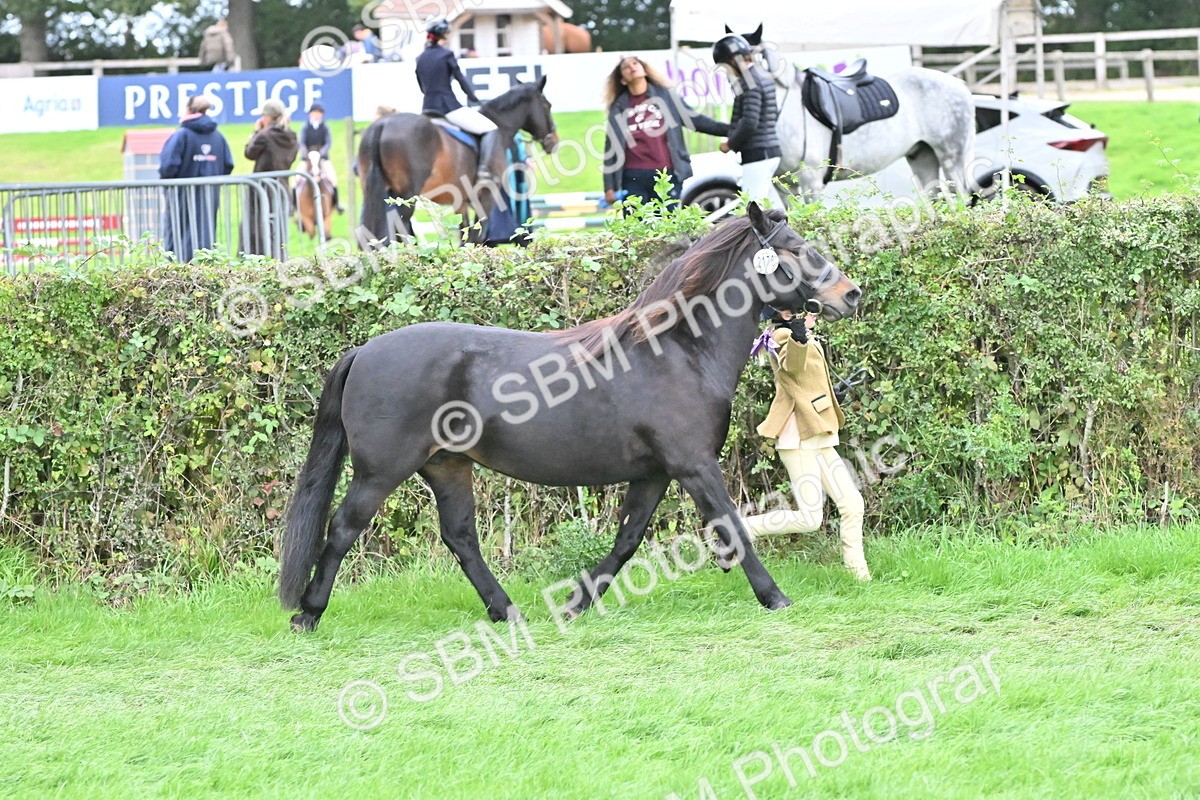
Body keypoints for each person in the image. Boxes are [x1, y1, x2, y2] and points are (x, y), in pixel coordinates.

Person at [742, 305, 871, 581]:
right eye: (807, 311)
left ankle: (860, 578)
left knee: (852, 504)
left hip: (817, 429)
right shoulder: (780, 336)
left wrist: (830, 395)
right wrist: (799, 339)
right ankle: (743, 528)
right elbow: (791, 367)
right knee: (810, 519)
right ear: (788, 315)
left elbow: (803, 381)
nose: (814, 315)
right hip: (797, 436)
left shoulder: (799, 335)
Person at [602, 55, 729, 209]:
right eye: (626, 67)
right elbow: (611, 147)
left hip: (666, 174)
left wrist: (732, 130)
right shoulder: (619, 106)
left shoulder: (667, 97)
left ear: (645, 71)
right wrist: (609, 186)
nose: (632, 67)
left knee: (669, 224)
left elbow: (697, 121)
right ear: (622, 79)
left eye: (635, 63)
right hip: (633, 176)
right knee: (635, 226)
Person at [415, 16, 502, 188]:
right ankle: (484, 171)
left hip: (427, 109)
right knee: (491, 129)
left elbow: (422, 87)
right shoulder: (447, 55)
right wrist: (474, 98)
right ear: (443, 35)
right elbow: (461, 80)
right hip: (448, 108)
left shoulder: (420, 58)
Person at [158, 95, 234, 263]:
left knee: (177, 234)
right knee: (205, 233)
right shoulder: (218, 137)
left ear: (188, 110)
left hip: (180, 196)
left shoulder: (181, 135)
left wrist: (168, 183)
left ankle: (177, 274)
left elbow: (167, 165)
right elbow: (228, 164)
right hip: (209, 196)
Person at [712, 33, 783, 208]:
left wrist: (730, 143)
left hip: (758, 154)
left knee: (753, 210)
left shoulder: (749, 81)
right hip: (769, 151)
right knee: (774, 209)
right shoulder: (760, 75)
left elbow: (750, 122)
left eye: (724, 66)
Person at [242, 98, 299, 256]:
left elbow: (249, 153)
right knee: (278, 226)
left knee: (256, 226)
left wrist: (256, 132)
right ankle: (279, 257)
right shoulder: (292, 135)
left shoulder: (265, 135)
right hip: (282, 186)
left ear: (268, 117)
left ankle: (257, 258)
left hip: (262, 187)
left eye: (263, 116)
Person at [299, 103, 342, 212]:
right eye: (314, 113)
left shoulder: (325, 127)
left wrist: (321, 153)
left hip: (322, 158)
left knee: (333, 179)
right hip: (307, 158)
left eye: (318, 113)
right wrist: (305, 153)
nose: (316, 115)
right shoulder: (305, 127)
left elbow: (328, 143)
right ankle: (293, 207)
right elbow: (302, 142)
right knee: (296, 179)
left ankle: (337, 204)